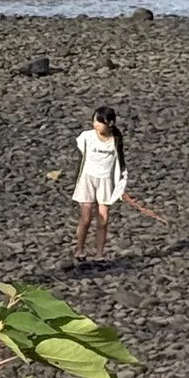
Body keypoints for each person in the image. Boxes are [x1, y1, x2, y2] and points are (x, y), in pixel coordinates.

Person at [72, 107, 126, 264]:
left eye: (99, 122)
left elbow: (121, 163)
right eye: (94, 121)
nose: (95, 125)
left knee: (103, 219)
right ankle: (80, 250)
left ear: (110, 123)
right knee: (86, 218)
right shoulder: (87, 137)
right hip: (87, 179)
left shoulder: (115, 140)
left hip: (106, 181)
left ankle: (99, 254)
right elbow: (81, 157)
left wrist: (121, 185)